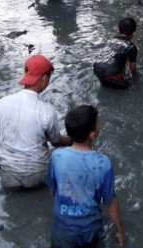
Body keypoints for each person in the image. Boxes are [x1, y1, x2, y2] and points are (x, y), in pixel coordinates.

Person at [46, 105, 126, 248]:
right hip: (88, 232)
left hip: (61, 231)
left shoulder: (57, 156)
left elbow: (53, 191)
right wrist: (120, 231)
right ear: (93, 134)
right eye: (98, 123)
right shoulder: (103, 163)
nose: (100, 125)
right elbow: (110, 201)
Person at [0, 55, 72, 191]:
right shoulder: (46, 111)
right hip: (37, 175)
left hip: (8, 175)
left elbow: (0, 134)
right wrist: (73, 141)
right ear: (45, 78)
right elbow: (56, 141)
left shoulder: (0, 104)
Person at [93, 17, 138, 89]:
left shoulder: (111, 40)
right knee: (131, 88)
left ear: (119, 30)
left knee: (106, 82)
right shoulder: (131, 46)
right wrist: (136, 76)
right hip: (111, 75)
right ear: (133, 32)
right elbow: (133, 68)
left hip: (97, 68)